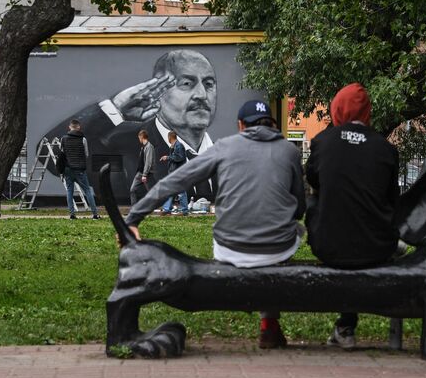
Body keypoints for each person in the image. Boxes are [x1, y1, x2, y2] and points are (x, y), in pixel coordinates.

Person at [124, 100, 306, 349]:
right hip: (278, 248)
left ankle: (268, 324)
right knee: (293, 230)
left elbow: (175, 181)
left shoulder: (224, 148)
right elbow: (299, 208)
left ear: (241, 125)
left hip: (230, 248)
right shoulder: (289, 151)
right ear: (272, 125)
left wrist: (133, 217)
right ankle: (269, 325)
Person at [42, 49, 217, 202]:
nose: (202, 95)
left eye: (209, 84)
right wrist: (115, 108)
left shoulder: (228, 152)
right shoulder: (120, 142)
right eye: (187, 83)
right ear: (158, 90)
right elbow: (50, 155)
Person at [305, 83, 400, 349]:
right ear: (367, 112)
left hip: (329, 244)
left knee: (315, 200)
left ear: (336, 109)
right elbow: (393, 199)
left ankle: (345, 327)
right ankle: (345, 326)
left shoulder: (323, 142)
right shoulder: (385, 149)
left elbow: (313, 179)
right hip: (377, 246)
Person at [60, 119, 100, 220]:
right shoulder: (83, 139)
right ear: (78, 127)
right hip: (80, 169)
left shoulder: (63, 139)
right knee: (87, 190)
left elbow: (62, 154)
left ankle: (72, 214)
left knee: (69, 191)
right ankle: (95, 214)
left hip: (68, 169)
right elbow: (86, 154)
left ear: (70, 127)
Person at [159, 131, 189, 215]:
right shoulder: (175, 146)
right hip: (175, 172)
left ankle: (184, 210)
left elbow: (179, 157)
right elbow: (175, 157)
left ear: (170, 138)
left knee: (181, 192)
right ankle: (168, 209)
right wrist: (171, 149)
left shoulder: (179, 146)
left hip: (178, 173)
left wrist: (167, 157)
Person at [129, 130, 156, 205]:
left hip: (146, 174)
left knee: (151, 192)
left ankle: (156, 206)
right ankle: (134, 209)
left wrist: (144, 175)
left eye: (139, 138)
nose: (139, 139)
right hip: (139, 173)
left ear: (141, 137)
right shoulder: (143, 147)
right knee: (132, 190)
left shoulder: (149, 147)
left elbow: (148, 162)